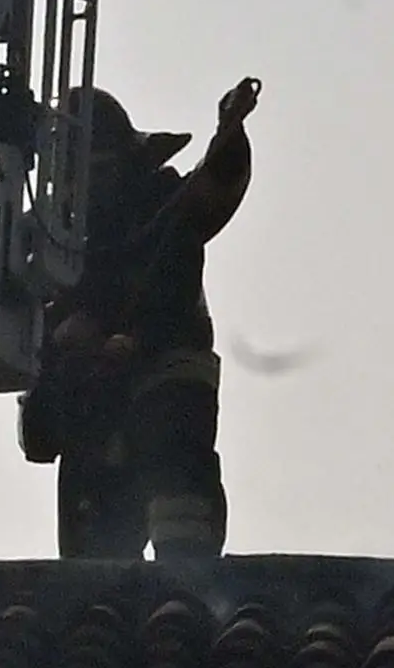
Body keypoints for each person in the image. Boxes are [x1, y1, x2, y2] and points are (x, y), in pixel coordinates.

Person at [19, 78, 260, 560]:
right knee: (92, 582)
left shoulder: (162, 206)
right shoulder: (45, 243)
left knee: (181, 520)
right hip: (93, 410)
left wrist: (230, 136)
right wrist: (67, 342)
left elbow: (214, 187)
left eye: (100, 169)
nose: (89, 185)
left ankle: (186, 594)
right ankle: (98, 612)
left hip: (164, 384)